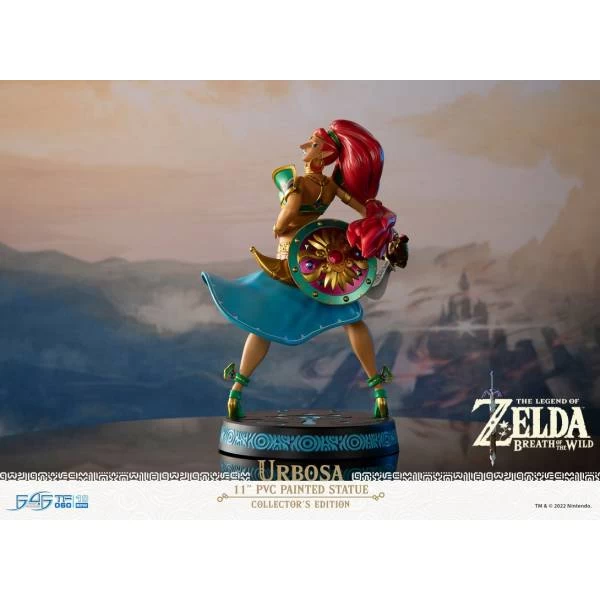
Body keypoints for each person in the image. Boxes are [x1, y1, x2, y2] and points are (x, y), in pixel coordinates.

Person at [201, 120, 408, 420]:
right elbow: (365, 211)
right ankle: (378, 391)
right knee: (353, 319)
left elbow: (284, 220)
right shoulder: (331, 187)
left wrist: (281, 217)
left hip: (288, 266)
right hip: (318, 272)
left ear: (323, 154)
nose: (304, 146)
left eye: (311, 143)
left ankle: (236, 391)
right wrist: (383, 223)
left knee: (261, 327)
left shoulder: (298, 184)